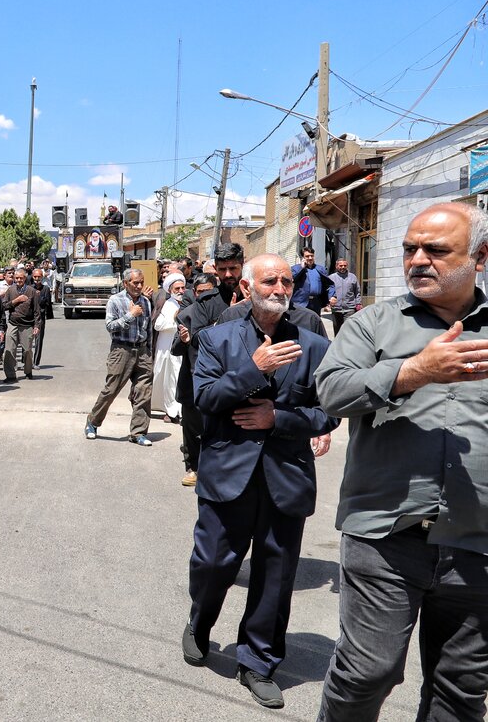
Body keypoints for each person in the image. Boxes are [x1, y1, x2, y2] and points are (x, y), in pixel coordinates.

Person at [316, 203, 488, 721]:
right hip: (386, 534)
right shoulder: (372, 324)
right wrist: (413, 371)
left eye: (435, 250)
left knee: (460, 690)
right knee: (367, 673)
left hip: (477, 542)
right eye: (409, 248)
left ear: (480, 257)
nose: (417, 260)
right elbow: (330, 391)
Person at [182, 254, 336, 709]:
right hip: (227, 474)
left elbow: (329, 413)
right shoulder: (216, 339)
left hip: (285, 476)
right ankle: (200, 621)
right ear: (248, 288)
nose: (280, 288)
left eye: (287, 281)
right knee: (213, 563)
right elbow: (205, 399)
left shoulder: (314, 346)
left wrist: (279, 418)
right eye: (270, 280)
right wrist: (255, 369)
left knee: (275, 573)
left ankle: (259, 660)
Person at [174, 243, 246, 483]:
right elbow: (199, 337)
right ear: (215, 269)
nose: (228, 274)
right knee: (198, 425)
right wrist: (229, 319)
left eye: (233, 268)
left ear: (242, 266)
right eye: (223, 269)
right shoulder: (207, 302)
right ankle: (194, 466)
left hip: (244, 375)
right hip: (210, 376)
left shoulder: (254, 297)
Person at [84, 268, 153, 446]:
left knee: (143, 393)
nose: (139, 286)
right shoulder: (115, 300)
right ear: (125, 283)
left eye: (141, 282)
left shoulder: (146, 301)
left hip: (142, 351)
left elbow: (148, 329)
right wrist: (130, 315)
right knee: (111, 390)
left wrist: (150, 353)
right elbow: (110, 326)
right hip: (121, 350)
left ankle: (138, 433)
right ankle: (92, 422)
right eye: (135, 283)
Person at [151, 273, 186, 423]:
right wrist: (175, 320)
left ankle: (176, 410)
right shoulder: (168, 304)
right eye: (177, 288)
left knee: (177, 379)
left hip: (179, 349)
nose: (181, 291)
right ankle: (171, 411)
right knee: (169, 379)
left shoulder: (184, 303)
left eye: (183, 287)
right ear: (170, 290)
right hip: (167, 349)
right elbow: (158, 325)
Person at [325, 257, 361, 334]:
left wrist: (358, 303)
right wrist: (327, 303)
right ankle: (338, 346)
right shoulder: (331, 278)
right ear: (336, 266)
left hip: (350, 309)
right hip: (336, 309)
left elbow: (357, 292)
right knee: (337, 331)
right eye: (341, 265)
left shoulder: (352, 277)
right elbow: (326, 291)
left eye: (345, 265)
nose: (343, 267)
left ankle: (348, 346)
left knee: (348, 331)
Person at [291, 248, 330, 314]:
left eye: (312, 256)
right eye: (307, 256)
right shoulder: (295, 268)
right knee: (301, 322)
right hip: (301, 302)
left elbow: (328, 284)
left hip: (316, 302)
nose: (310, 258)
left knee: (314, 322)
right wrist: (302, 268)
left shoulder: (320, 269)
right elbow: (293, 279)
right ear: (302, 257)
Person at [31, 266, 53, 365]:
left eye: (39, 276)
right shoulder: (29, 288)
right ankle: (26, 361)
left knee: (39, 340)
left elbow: (48, 304)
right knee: (26, 340)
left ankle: (36, 362)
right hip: (29, 317)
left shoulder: (46, 289)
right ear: (32, 277)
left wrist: (47, 316)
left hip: (40, 318)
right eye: (35, 276)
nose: (37, 279)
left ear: (42, 277)